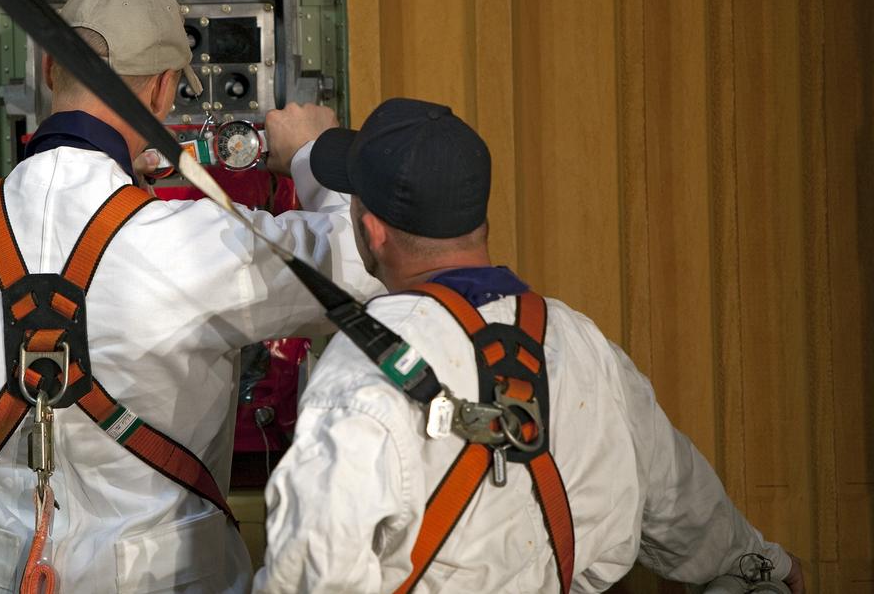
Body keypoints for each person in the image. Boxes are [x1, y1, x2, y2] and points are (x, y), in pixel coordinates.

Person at [0, 0, 381, 593]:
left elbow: (54, 229)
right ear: (161, 92)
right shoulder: (195, 242)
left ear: (51, 68)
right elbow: (363, 259)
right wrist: (314, 153)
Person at [255, 97, 804, 594]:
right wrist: (762, 562)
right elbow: (681, 497)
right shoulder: (580, 343)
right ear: (479, 219)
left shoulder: (360, 377)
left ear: (370, 231)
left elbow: (307, 574)